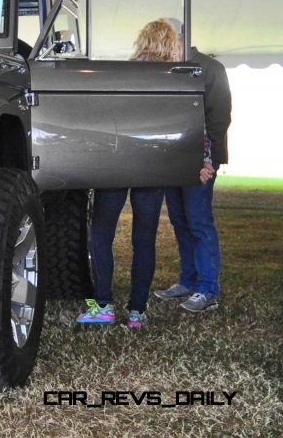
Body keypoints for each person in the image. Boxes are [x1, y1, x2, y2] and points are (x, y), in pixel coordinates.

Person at [76, 19, 201, 329]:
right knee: (144, 239)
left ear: (141, 40)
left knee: (102, 233)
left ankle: (103, 305)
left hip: (117, 163)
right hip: (153, 165)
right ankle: (137, 313)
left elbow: (105, 118)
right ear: (171, 44)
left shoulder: (122, 72)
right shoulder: (178, 78)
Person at [154, 18, 232, 312]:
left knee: (199, 222)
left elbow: (219, 118)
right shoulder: (165, 68)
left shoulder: (211, 68)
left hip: (200, 160)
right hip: (173, 158)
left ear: (179, 36)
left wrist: (208, 159)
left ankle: (208, 289)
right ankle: (188, 280)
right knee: (180, 220)